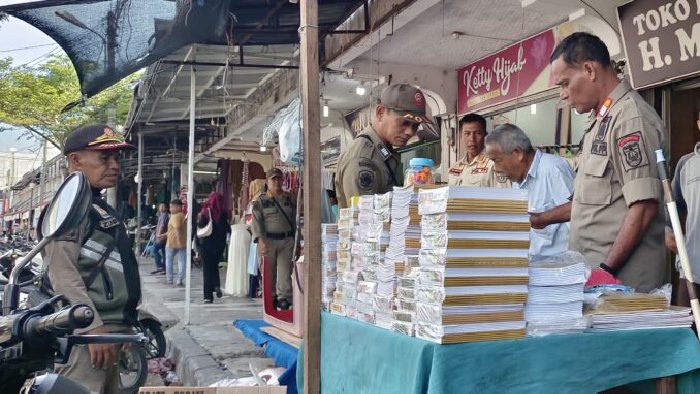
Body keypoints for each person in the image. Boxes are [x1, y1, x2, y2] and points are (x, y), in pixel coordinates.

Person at [542, 32, 666, 292]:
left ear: (589, 70)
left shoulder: (630, 119)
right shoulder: (601, 121)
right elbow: (587, 203)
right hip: (595, 280)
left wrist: (606, 270)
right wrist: (539, 218)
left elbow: (643, 207)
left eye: (565, 83)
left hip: (622, 285)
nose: (563, 94)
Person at [39, 124, 141, 393]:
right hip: (88, 334)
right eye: (105, 158)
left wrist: (127, 324)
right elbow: (63, 274)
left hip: (109, 330)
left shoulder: (96, 204)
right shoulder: (69, 208)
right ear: (76, 160)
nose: (115, 166)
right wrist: (90, 329)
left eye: (117, 158)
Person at [485, 124, 575, 260]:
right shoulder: (517, 180)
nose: (496, 169)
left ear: (518, 153)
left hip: (558, 268)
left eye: (497, 161)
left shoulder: (553, 169)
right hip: (531, 264)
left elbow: (576, 210)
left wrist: (541, 219)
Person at [335, 84, 430, 208]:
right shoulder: (363, 159)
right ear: (380, 112)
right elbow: (362, 218)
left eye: (415, 126)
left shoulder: (383, 153)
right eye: (404, 122)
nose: (410, 132)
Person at [665, 102, 700, 306]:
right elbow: (672, 206)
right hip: (692, 269)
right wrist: (668, 231)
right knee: (689, 332)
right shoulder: (686, 164)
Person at [251, 168, 297, 310]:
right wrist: (260, 241)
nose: (276, 182)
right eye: (273, 179)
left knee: (285, 273)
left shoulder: (289, 198)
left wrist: (297, 241)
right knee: (269, 273)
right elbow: (256, 221)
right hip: (268, 241)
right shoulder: (261, 200)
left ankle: (284, 298)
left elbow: (294, 220)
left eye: (279, 179)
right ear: (267, 181)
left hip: (287, 241)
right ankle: (270, 297)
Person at [448, 113, 510, 187]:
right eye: (467, 134)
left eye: (478, 133)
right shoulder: (454, 168)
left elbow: (504, 196)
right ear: (461, 136)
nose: (472, 139)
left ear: (485, 136)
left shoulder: (495, 165)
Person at [197, 186, 231, 303]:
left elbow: (200, 226)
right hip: (219, 246)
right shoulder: (224, 214)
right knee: (214, 267)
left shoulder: (206, 212)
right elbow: (228, 229)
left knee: (207, 269)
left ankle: (208, 296)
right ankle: (216, 285)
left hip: (206, 245)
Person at [165, 199, 187, 286]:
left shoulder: (175, 216)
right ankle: (180, 279)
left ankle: (170, 279)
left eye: (172, 207)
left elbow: (177, 229)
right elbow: (172, 230)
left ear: (178, 207)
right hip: (182, 242)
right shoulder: (182, 215)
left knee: (169, 260)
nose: (170, 209)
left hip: (172, 243)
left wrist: (178, 241)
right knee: (182, 261)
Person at [151, 203, 169, 275]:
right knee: (164, 252)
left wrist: (158, 234)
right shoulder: (161, 215)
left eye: (163, 207)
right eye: (160, 207)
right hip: (163, 237)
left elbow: (162, 225)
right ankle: (164, 268)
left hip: (161, 237)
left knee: (154, 250)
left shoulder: (164, 215)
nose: (161, 208)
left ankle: (160, 266)